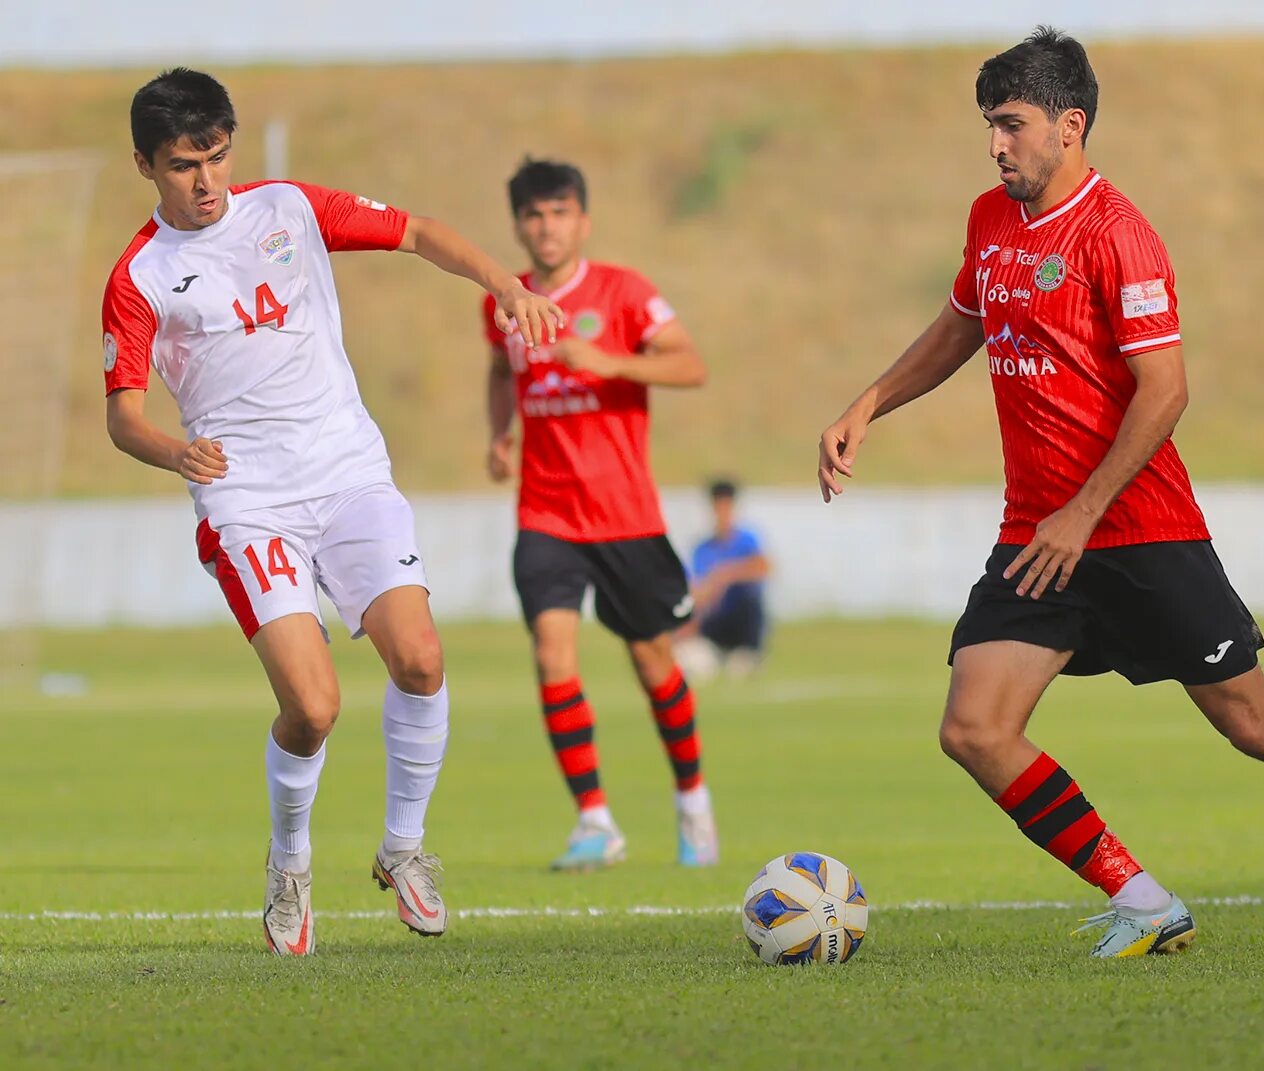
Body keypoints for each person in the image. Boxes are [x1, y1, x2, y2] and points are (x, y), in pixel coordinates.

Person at [816, 28, 1264, 958]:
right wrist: (868, 403)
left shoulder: (1120, 234)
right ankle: (1143, 898)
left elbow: (1166, 390)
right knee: (974, 726)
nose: (995, 145)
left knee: (1260, 726)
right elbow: (961, 323)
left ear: (1068, 125)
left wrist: (1085, 510)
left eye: (1011, 124)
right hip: (1038, 536)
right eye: (988, 126)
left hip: (1142, 530)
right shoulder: (990, 221)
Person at [102, 69, 562, 956]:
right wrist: (176, 451)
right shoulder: (141, 276)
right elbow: (123, 417)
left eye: (216, 155)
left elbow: (419, 231)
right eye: (180, 165)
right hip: (248, 500)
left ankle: (404, 847)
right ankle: (288, 862)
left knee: (422, 660)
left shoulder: (291, 208)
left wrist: (505, 285)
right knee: (312, 708)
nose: (204, 181)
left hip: (348, 470)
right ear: (143, 166)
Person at [483, 158, 718, 871]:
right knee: (552, 652)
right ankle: (594, 819)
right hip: (546, 513)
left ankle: (692, 799)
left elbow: (690, 365)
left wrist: (612, 362)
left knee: (654, 663)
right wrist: (500, 432)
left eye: (558, 211)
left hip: (626, 517)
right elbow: (500, 368)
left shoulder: (623, 292)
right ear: (518, 224)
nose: (545, 226)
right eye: (532, 214)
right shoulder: (504, 300)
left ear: (582, 220)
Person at [676, 478, 771, 681]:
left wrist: (725, 576)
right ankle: (714, 652)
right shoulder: (702, 548)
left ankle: (748, 651)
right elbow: (696, 590)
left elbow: (764, 567)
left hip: (741, 618)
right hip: (715, 619)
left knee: (748, 594)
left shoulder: (747, 540)